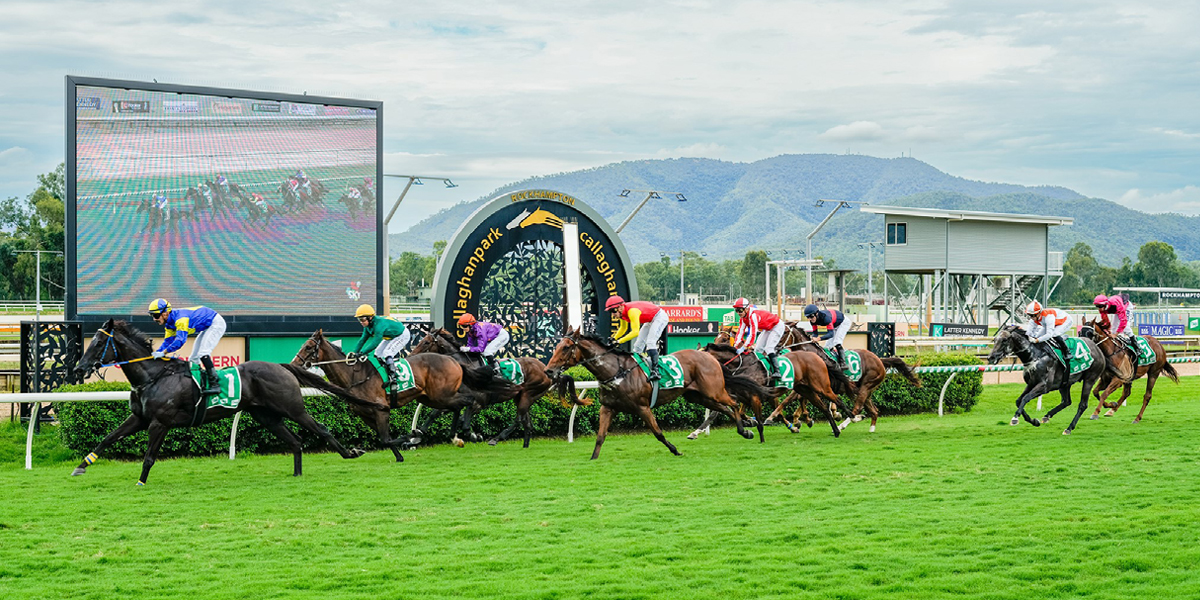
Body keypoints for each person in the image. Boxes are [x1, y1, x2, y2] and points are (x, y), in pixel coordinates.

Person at [148, 298, 226, 395]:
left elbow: (180, 341)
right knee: (193, 358)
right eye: (152, 315)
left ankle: (215, 384)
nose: (154, 319)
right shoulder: (169, 324)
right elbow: (168, 342)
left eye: (156, 315)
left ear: (165, 313)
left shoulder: (180, 320)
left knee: (203, 353)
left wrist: (163, 353)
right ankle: (200, 383)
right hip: (207, 326)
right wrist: (156, 353)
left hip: (216, 323)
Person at [605, 295, 669, 381]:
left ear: (620, 307)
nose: (612, 315)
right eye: (610, 312)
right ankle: (634, 369)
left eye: (613, 311)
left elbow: (635, 332)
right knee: (638, 346)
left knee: (650, 342)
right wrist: (614, 338)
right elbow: (623, 328)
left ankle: (656, 371)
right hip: (649, 320)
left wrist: (619, 341)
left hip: (659, 317)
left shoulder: (632, 311)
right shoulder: (622, 314)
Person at [350, 304, 412, 389]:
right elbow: (362, 340)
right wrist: (354, 353)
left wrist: (361, 353)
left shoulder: (379, 325)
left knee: (387, 352)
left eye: (363, 319)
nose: (361, 322)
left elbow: (374, 344)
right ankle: (384, 373)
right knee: (378, 353)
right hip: (391, 336)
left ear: (370, 318)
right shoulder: (368, 326)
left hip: (402, 335)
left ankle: (394, 377)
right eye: (359, 319)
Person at [731, 297, 785, 378]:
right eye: (736, 310)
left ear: (746, 309)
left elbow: (753, 333)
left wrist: (745, 346)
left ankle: (777, 371)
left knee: (769, 348)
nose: (738, 313)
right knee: (758, 349)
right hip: (768, 328)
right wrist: (736, 345)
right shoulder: (743, 318)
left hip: (777, 326)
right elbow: (740, 331)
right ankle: (762, 370)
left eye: (740, 310)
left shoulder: (753, 316)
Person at [1024, 300, 1074, 372]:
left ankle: (1067, 352)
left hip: (1065, 321)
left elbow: (1049, 335)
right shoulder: (1034, 319)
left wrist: (1036, 340)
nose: (1031, 318)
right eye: (1029, 315)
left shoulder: (1048, 316)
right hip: (1049, 324)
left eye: (1033, 315)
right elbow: (1029, 333)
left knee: (1054, 334)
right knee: (1038, 336)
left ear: (1039, 313)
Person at [804, 304, 852, 369]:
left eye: (811, 316)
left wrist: (818, 339)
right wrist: (813, 338)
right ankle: (834, 361)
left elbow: (831, 334)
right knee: (827, 347)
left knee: (837, 342)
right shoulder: (812, 321)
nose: (810, 319)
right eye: (808, 317)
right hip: (834, 325)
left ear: (816, 314)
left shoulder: (826, 318)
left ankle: (843, 363)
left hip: (843, 323)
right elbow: (815, 333)